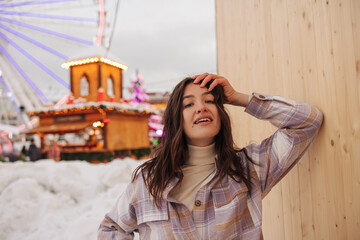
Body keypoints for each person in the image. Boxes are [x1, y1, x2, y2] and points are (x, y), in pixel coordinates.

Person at [98, 73, 323, 239]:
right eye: (189, 104)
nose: (201, 108)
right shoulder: (149, 181)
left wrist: (239, 98)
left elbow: (307, 122)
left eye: (210, 100)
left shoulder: (249, 169)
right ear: (177, 119)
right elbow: (110, 229)